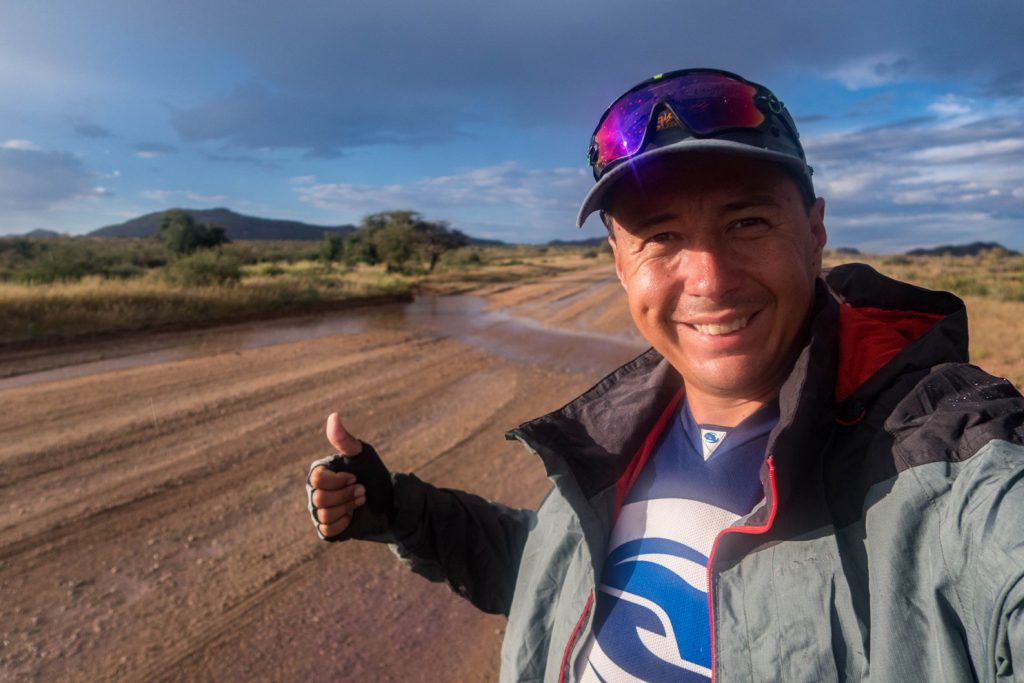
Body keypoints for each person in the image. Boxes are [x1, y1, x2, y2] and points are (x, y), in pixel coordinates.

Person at [306, 68, 1024, 681]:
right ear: (621, 264)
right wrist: (401, 511)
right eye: (662, 237)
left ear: (814, 234)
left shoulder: (944, 457)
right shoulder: (627, 430)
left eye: (747, 223)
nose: (708, 279)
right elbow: (559, 577)